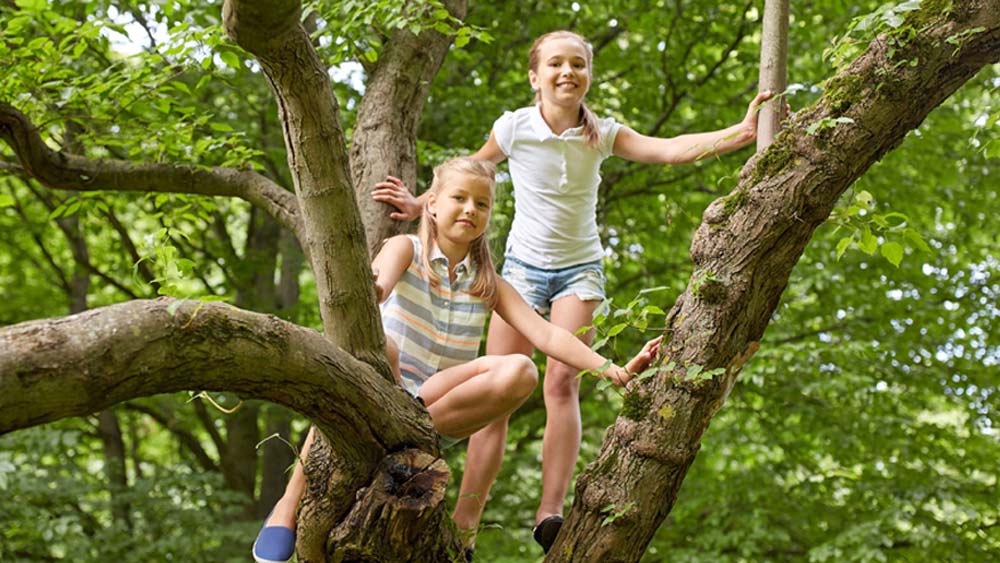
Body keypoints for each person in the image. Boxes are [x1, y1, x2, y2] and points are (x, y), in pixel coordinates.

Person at [372, 30, 775, 553]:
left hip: (577, 270)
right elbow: (468, 172)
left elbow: (669, 150)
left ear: (588, 76)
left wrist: (739, 132)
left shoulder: (600, 133)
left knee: (561, 381)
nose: (568, 73)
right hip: (517, 269)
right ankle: (467, 525)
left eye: (579, 65)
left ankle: (550, 512)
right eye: (556, 64)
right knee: (499, 401)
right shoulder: (514, 127)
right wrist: (417, 202)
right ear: (535, 76)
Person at [253, 156, 662, 563]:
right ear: (430, 203)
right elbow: (375, 287)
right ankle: (288, 506)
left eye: (481, 204)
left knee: (520, 370)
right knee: (386, 347)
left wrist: (611, 369)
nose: (470, 209)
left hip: (432, 408)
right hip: (381, 387)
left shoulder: (488, 282)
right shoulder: (404, 248)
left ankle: (419, 448)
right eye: (459, 198)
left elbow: (547, 334)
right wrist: (369, 287)